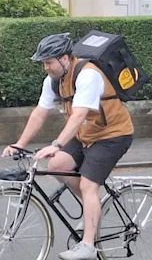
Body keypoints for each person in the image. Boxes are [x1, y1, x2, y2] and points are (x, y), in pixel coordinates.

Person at [2, 33, 133, 260]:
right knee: (57, 164)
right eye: (43, 62)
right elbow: (40, 112)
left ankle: (88, 245)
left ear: (64, 58)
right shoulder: (53, 80)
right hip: (85, 133)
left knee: (89, 184)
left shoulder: (88, 75)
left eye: (48, 62)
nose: (45, 67)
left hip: (113, 135)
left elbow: (79, 114)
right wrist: (20, 144)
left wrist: (56, 143)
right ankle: (92, 208)